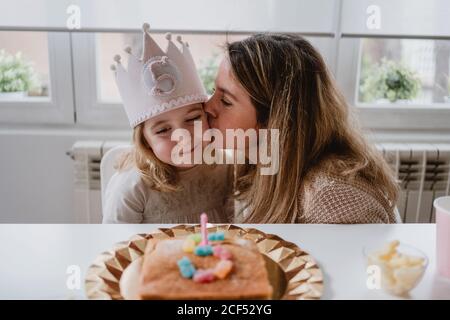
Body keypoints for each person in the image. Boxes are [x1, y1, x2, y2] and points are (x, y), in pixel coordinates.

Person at [205, 33, 399, 223]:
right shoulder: (257, 163)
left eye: (226, 100)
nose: (208, 106)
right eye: (213, 91)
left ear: (275, 119)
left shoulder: (330, 198)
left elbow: (368, 255)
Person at [102, 24, 233, 223]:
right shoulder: (133, 187)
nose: (183, 136)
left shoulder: (225, 168)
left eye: (192, 119)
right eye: (163, 129)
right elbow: (116, 245)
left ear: (207, 117)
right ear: (145, 141)